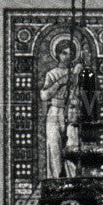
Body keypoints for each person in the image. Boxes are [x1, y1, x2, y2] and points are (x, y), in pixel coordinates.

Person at [39, 39, 82, 178]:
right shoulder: (52, 74)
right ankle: (55, 182)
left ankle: (72, 182)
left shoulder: (76, 73)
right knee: (54, 147)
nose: (67, 57)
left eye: (70, 54)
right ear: (57, 54)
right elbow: (44, 95)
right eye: (64, 53)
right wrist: (60, 82)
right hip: (55, 112)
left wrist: (76, 77)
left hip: (70, 112)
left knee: (71, 147)